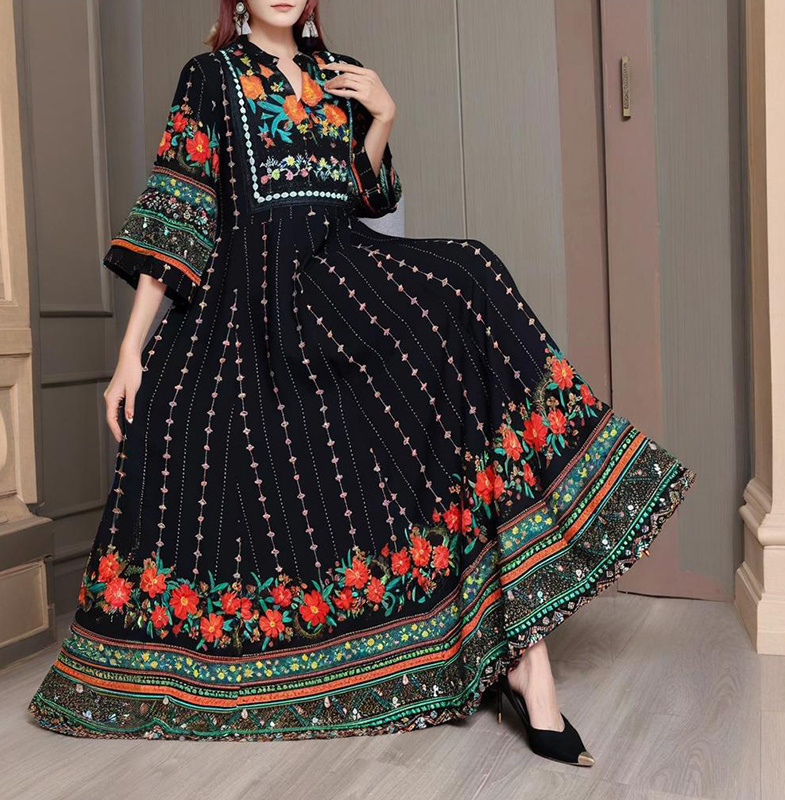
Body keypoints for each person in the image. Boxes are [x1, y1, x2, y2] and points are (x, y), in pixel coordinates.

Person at [28, 0, 696, 764]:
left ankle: (525, 656)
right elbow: (179, 215)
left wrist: (382, 117)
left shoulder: (338, 75)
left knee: (471, 282)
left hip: (334, 275)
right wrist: (130, 352)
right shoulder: (211, 77)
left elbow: (364, 199)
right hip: (250, 302)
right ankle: (519, 661)